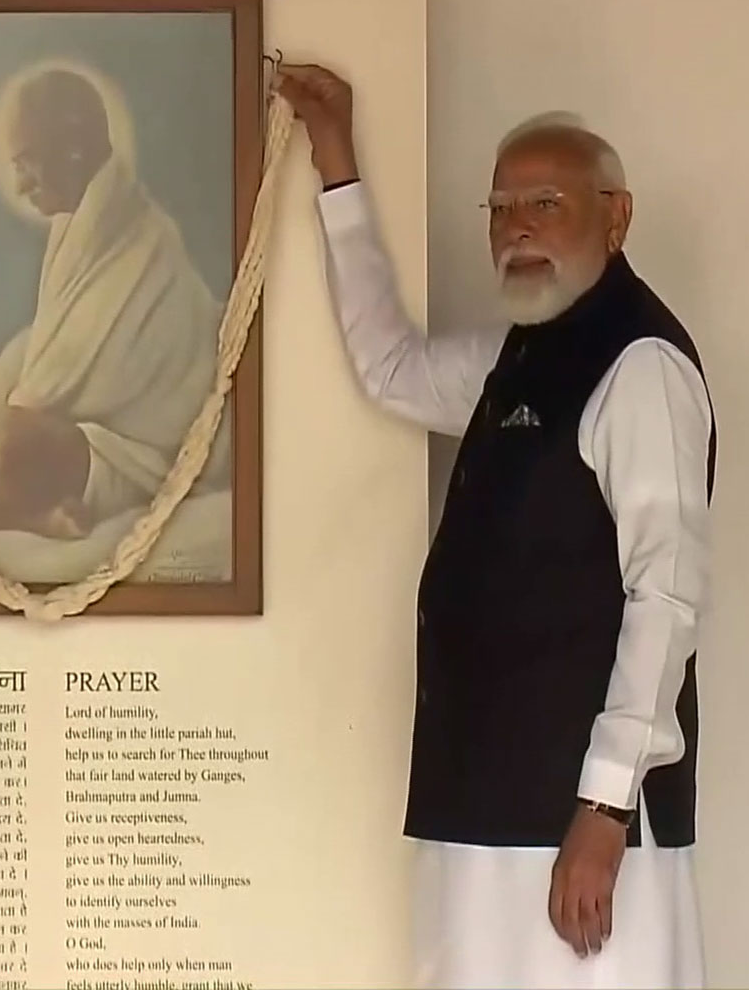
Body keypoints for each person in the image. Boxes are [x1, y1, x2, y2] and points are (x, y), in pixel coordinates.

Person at [276, 63, 713, 988]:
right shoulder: (521, 356)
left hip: (581, 827)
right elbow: (391, 368)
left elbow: (666, 593)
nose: (515, 227)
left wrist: (605, 807)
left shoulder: (639, 366)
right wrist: (336, 161)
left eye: (545, 203)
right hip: (480, 808)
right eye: (500, 208)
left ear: (616, 215)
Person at [0, 64, 229, 540]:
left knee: (15, 442)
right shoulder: (78, 231)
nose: (20, 185)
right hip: (59, 454)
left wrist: (15, 413)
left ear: (74, 150)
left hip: (133, 456)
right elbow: (52, 363)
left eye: (26, 163)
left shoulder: (144, 242)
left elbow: (83, 380)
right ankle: (25, 520)